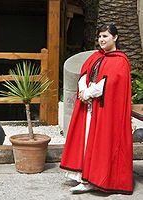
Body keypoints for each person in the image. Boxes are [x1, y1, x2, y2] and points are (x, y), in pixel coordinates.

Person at [60, 24, 133, 195]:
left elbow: (108, 84)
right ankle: (84, 177)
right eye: (100, 36)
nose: (101, 40)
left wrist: (88, 93)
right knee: (86, 140)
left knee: (101, 143)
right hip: (90, 107)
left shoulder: (120, 60)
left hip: (105, 110)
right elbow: (84, 74)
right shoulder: (95, 56)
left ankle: (95, 179)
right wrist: (83, 90)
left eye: (105, 36)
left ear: (115, 37)